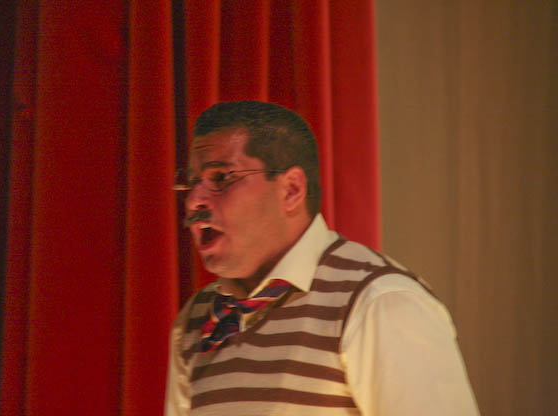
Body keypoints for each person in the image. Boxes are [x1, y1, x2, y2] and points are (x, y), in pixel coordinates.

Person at [165, 101, 478, 415]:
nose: (193, 201)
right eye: (191, 183)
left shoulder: (379, 302)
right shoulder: (196, 318)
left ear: (291, 189)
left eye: (221, 177)